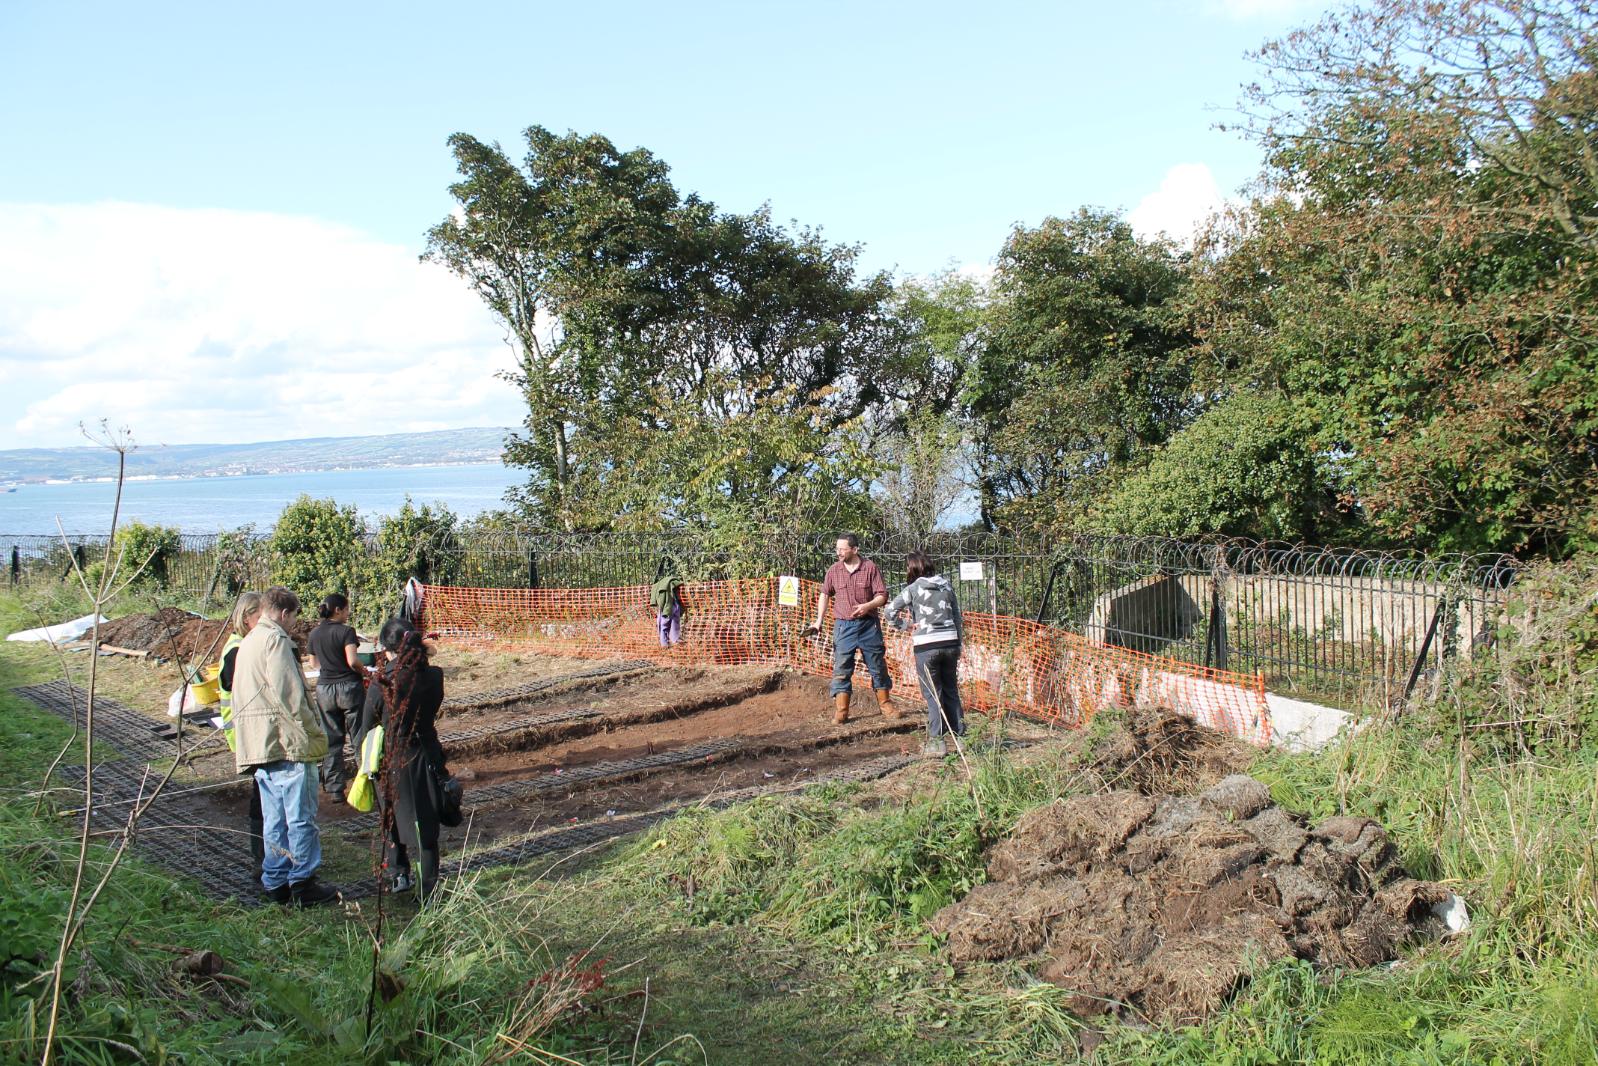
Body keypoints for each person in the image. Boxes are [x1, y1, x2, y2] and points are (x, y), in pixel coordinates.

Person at [232, 585, 338, 906]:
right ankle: (303, 882)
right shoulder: (275, 641)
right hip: (286, 743)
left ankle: (276, 881)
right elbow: (290, 694)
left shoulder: (247, 642)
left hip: (260, 743)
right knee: (300, 817)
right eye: (293, 618)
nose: (293, 624)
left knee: (274, 820)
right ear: (283, 613)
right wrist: (313, 730)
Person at [354, 617, 449, 899]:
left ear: (386, 649)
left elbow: (366, 726)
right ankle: (428, 890)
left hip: (391, 756)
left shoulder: (382, 682)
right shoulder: (434, 677)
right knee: (426, 824)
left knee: (390, 815)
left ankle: (399, 873)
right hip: (426, 753)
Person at [804, 533, 897, 725]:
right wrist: (818, 621)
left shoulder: (870, 568)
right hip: (843, 627)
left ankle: (885, 704)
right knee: (842, 667)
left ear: (855, 549)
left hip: (869, 626)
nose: (838, 552)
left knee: (877, 665)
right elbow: (824, 595)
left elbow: (882, 595)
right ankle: (842, 711)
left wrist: (868, 606)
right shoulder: (834, 571)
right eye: (837, 548)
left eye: (842, 549)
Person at [885, 552, 965, 756]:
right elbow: (957, 616)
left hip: (926, 646)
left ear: (913, 568)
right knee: (951, 690)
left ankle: (937, 743)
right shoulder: (947, 586)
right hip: (950, 643)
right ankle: (962, 739)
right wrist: (959, 643)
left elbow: (889, 612)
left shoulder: (912, 589)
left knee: (933, 694)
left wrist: (906, 626)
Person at [215, 591, 265, 876]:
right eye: (261, 616)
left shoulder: (240, 644)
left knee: (263, 793)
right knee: (262, 796)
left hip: (246, 730)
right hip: (244, 731)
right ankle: (262, 857)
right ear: (247, 618)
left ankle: (265, 855)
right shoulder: (238, 650)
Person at [308, 593, 367, 795]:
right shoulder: (347, 631)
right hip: (349, 687)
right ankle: (367, 784)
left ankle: (335, 789)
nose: (348, 613)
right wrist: (366, 671)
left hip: (325, 689)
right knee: (359, 736)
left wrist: (329, 668)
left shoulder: (314, 633)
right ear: (338, 610)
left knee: (332, 739)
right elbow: (353, 661)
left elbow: (313, 663)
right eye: (347, 609)